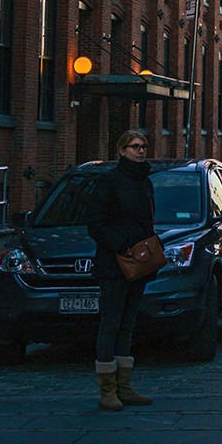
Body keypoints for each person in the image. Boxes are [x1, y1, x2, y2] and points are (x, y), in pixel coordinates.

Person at [83, 129, 157, 411]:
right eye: (135, 147)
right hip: (114, 263)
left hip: (139, 262)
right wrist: (121, 245)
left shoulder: (145, 183)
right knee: (110, 323)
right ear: (121, 150)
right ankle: (107, 390)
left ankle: (125, 386)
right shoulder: (109, 182)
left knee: (128, 323)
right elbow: (95, 223)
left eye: (143, 146)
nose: (141, 151)